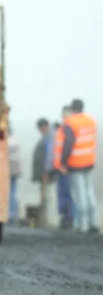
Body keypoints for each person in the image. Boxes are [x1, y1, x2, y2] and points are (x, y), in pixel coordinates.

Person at [60, 98, 99, 234]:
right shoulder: (91, 121)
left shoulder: (70, 123)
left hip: (76, 163)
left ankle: (83, 225)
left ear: (72, 108)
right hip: (89, 162)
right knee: (90, 193)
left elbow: (68, 143)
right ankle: (94, 222)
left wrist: (63, 162)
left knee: (80, 194)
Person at [53, 106, 75, 229]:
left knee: (68, 194)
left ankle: (69, 218)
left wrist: (64, 164)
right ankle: (64, 217)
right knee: (62, 194)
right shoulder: (61, 129)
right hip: (60, 168)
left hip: (66, 168)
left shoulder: (68, 129)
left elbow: (68, 147)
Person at [31, 118, 55, 227]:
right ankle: (44, 219)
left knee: (46, 196)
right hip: (43, 173)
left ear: (44, 127)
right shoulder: (46, 137)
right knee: (44, 195)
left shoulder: (49, 137)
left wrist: (47, 170)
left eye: (40, 128)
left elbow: (49, 155)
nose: (40, 131)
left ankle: (46, 220)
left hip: (46, 173)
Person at [7, 125, 22, 224]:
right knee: (13, 191)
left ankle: (11, 213)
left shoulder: (8, 141)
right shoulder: (15, 139)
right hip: (15, 170)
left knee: (10, 192)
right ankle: (13, 213)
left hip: (10, 170)